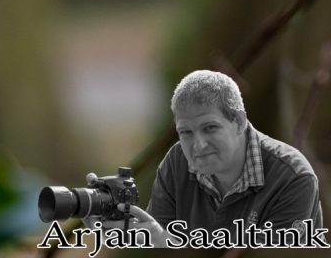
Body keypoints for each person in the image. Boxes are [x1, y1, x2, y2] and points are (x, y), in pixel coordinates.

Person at [127, 70, 325, 248]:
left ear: (238, 121)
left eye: (210, 128)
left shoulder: (293, 177)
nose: (198, 145)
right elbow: (159, 241)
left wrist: (168, 241)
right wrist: (125, 228)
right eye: (186, 132)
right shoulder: (176, 162)